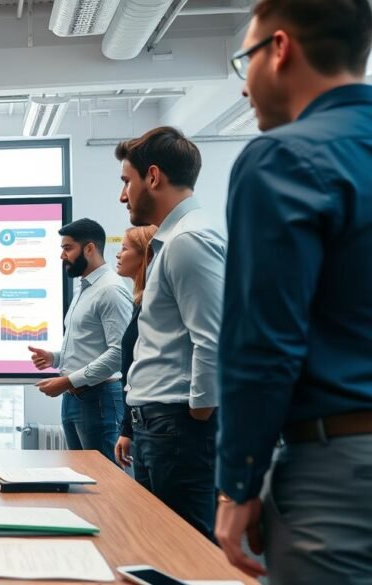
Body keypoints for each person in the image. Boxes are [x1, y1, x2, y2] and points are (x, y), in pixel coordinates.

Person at [214, 1, 372, 582]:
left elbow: (265, 342)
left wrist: (238, 484)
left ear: (279, 50)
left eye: (243, 60)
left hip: (341, 477)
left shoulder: (283, 158)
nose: (245, 85)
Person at [114, 126, 225, 539]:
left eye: (127, 182)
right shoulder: (174, 238)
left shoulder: (188, 240)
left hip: (177, 423)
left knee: (184, 551)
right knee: (159, 547)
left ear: (154, 177)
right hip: (161, 423)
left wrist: (197, 411)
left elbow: (211, 339)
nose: (123, 195)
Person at [28, 218, 132, 465]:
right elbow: (88, 345)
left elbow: (119, 353)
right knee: (83, 479)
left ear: (89, 249)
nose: (62, 256)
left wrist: (67, 380)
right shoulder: (84, 288)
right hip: (75, 400)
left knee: (107, 484)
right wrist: (55, 357)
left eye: (67, 248)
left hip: (99, 399)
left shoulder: (111, 290)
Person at [112, 225, 157, 468]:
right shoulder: (139, 301)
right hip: (141, 421)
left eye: (125, 249)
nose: (118, 255)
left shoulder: (156, 303)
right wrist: (128, 428)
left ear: (146, 255)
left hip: (160, 422)